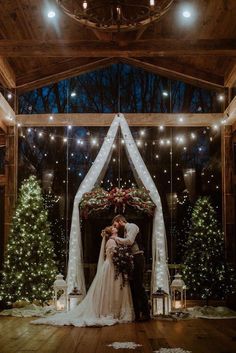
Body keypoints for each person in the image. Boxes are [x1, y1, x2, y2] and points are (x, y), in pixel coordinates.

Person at [32, 226, 134, 327]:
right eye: (113, 228)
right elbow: (112, 256)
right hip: (111, 267)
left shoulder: (115, 240)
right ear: (111, 232)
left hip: (112, 267)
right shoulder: (111, 241)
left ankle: (112, 310)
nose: (115, 228)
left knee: (112, 289)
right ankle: (110, 311)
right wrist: (122, 258)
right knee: (111, 289)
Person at [112, 215, 150, 321]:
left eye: (115, 224)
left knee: (139, 286)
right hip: (132, 259)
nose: (115, 227)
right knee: (133, 287)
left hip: (138, 258)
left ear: (120, 221)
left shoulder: (132, 227)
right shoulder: (125, 231)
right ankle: (137, 314)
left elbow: (129, 241)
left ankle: (146, 314)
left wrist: (115, 238)